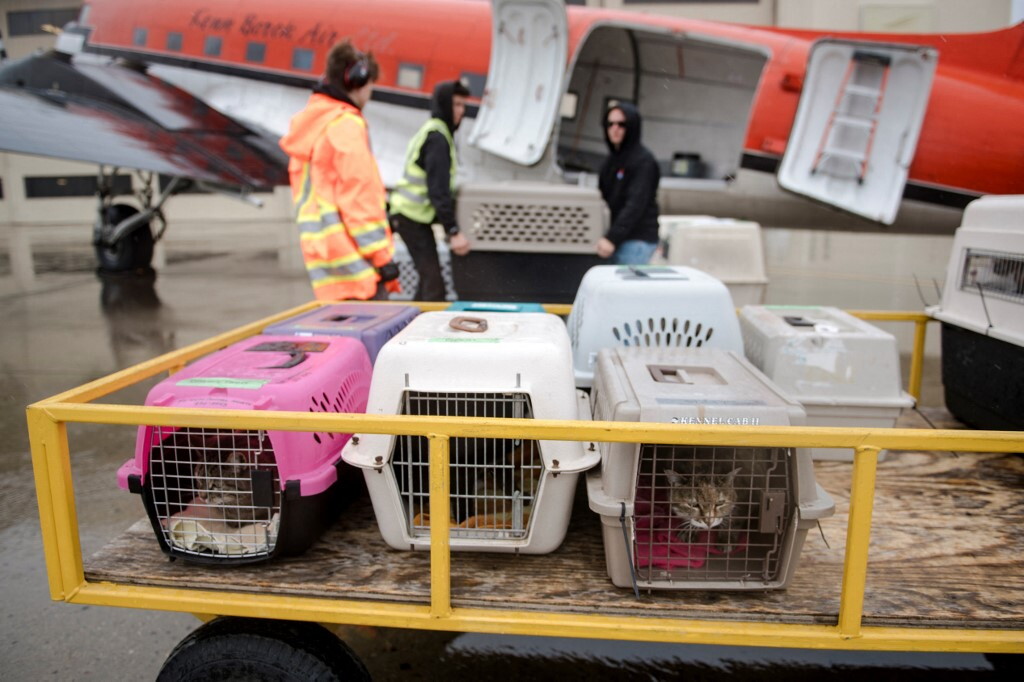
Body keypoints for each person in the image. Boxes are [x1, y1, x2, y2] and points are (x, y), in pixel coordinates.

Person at [279, 39, 400, 301]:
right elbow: (359, 198)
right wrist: (382, 257)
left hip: (327, 268)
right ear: (357, 80)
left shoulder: (312, 126)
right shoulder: (345, 126)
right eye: (370, 86)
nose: (370, 95)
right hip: (360, 270)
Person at [389, 80, 472, 301]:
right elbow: (438, 191)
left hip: (411, 217)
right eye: (456, 105)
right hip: (410, 217)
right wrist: (453, 231)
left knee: (429, 280)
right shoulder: (438, 138)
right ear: (444, 104)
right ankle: (421, 333)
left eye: (463, 106)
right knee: (433, 285)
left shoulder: (434, 131)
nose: (461, 112)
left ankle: (410, 326)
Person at [596, 102, 661, 265]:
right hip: (617, 239)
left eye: (621, 124)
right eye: (610, 124)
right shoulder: (610, 161)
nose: (614, 129)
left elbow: (635, 205)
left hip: (636, 241)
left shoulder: (643, 161)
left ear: (632, 126)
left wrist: (612, 238)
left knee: (625, 290)